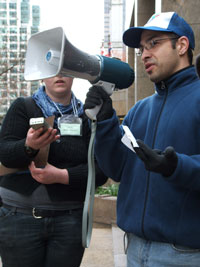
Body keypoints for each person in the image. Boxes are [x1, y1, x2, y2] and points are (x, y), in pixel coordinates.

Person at [84, 11, 200, 267]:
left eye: (154, 43)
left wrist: (176, 167)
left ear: (181, 46)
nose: (145, 54)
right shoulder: (139, 109)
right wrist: (105, 122)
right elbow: (116, 169)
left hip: (186, 254)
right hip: (134, 249)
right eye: (141, 49)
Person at [0, 75, 107, 267]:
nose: (59, 75)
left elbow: (101, 170)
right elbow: (5, 154)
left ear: (73, 74)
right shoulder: (23, 107)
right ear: (41, 76)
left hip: (70, 221)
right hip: (19, 218)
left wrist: (62, 176)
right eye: (53, 70)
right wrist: (28, 146)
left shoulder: (88, 116)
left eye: (65, 69)